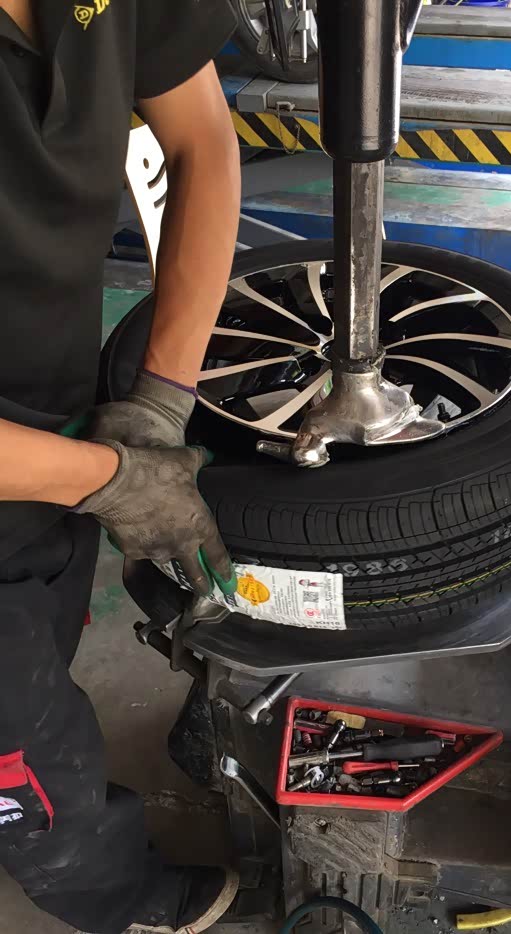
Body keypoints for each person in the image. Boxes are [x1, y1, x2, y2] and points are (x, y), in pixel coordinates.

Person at [0, 0, 243, 930]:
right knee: (20, 750)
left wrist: (161, 400)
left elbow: (201, 139)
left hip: (55, 418)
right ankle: (110, 895)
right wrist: (112, 479)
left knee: (44, 638)